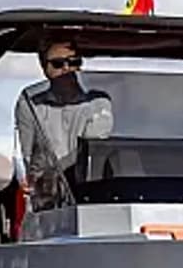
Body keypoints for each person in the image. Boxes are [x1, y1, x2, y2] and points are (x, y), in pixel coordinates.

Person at [13, 36, 113, 209]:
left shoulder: (98, 102)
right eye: (58, 64)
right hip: (48, 198)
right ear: (44, 68)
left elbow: (94, 148)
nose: (67, 69)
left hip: (88, 194)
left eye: (74, 62)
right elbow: (27, 155)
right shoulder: (30, 104)